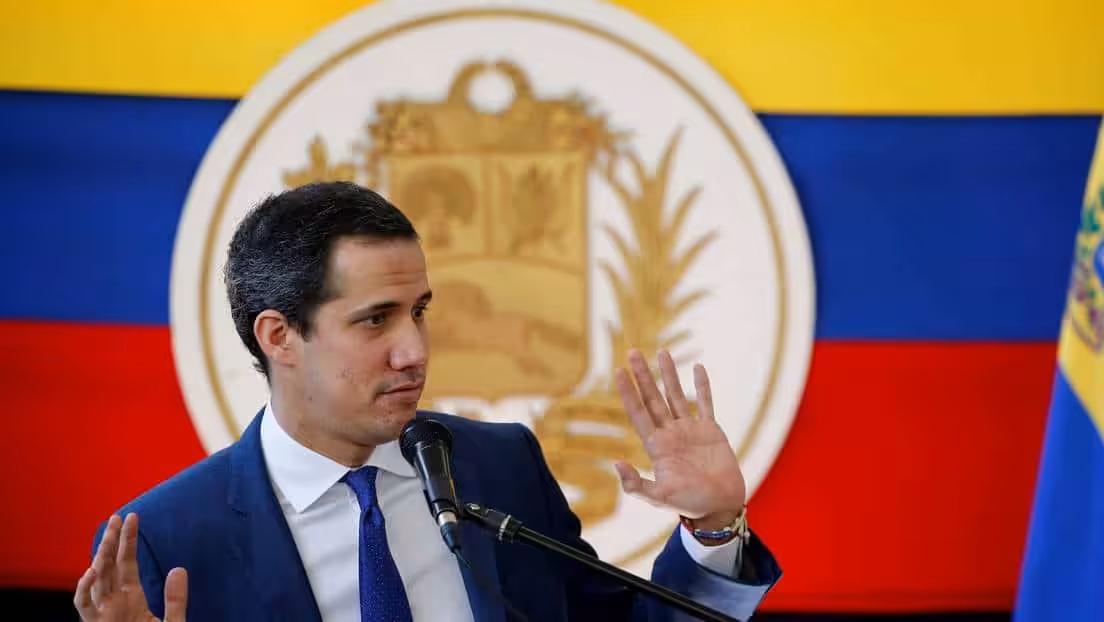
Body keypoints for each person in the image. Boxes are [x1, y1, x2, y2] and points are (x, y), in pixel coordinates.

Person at [74, 181, 781, 622]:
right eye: (376, 319)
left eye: (420, 311)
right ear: (280, 336)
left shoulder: (498, 466)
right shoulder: (167, 539)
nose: (414, 350)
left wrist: (712, 529)